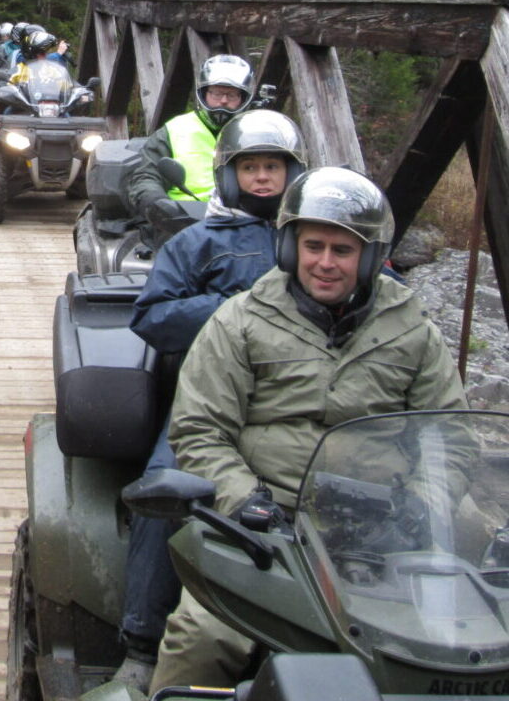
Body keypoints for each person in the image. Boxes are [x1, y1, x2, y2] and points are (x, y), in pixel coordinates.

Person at [148, 166, 469, 693]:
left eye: (342, 250)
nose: (324, 263)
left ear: (368, 257)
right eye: (312, 245)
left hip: (384, 526)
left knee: (468, 633)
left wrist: (424, 503)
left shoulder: (411, 327)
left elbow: (452, 434)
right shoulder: (240, 320)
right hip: (267, 524)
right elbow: (200, 428)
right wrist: (242, 499)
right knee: (203, 638)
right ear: (288, 246)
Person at [112, 110, 307, 691]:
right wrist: (238, 307)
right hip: (209, 400)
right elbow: (152, 318)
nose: (264, 178)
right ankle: (141, 643)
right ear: (229, 175)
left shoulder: (320, 241)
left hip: (301, 405)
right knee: (163, 494)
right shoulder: (198, 242)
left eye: (274, 166)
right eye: (252, 167)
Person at [123, 54, 255, 237]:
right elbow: (146, 175)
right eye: (216, 93)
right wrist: (157, 203)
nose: (223, 101)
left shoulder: (258, 132)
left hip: (247, 222)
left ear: (244, 97)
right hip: (182, 224)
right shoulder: (174, 130)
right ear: (203, 94)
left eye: (232, 94)